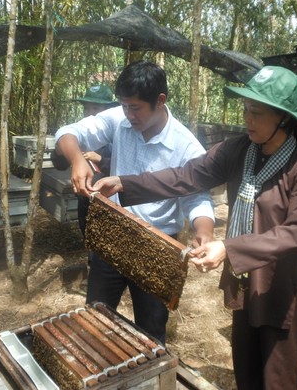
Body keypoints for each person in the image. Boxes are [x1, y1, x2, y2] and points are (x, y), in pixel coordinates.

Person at [93, 66, 297, 389]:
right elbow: (185, 176)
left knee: (276, 378)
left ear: (284, 118)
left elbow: (296, 233)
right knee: (245, 369)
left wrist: (228, 248)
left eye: (257, 113)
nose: (248, 120)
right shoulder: (240, 149)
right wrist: (123, 183)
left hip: (282, 286)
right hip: (246, 281)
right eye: (246, 110)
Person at [55, 61, 215, 344]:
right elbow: (69, 133)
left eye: (136, 108)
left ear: (160, 100)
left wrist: (204, 232)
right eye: (124, 106)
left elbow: (197, 197)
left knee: (150, 334)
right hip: (113, 234)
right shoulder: (120, 117)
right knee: (95, 319)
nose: (129, 115)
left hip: (157, 243)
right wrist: (77, 158)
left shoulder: (187, 146)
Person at [52, 84, 118, 237]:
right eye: (86, 108)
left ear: (108, 111)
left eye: (95, 108)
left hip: (110, 203)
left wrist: (100, 159)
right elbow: (59, 165)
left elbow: (125, 171)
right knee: (89, 240)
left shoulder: (116, 136)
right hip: (85, 199)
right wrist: (61, 151)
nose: (89, 113)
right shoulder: (79, 135)